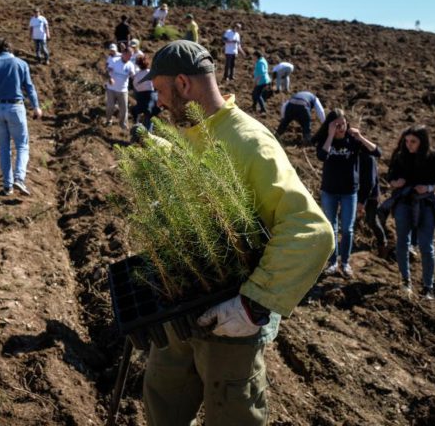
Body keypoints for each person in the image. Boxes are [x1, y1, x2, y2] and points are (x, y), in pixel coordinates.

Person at [138, 40, 333, 426]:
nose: (157, 102)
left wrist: (253, 304)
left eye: (160, 91)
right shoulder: (192, 129)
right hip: (181, 308)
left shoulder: (249, 141)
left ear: (183, 84)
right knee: (162, 397)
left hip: (230, 318)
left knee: (232, 413)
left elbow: (310, 229)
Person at [312, 109, 380, 277]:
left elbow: (377, 152)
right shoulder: (325, 140)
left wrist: (360, 137)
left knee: (348, 229)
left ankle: (345, 262)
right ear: (330, 126)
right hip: (329, 191)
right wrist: (330, 135)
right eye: (337, 125)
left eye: (343, 124)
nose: (341, 128)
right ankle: (333, 262)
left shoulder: (353, 141)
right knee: (331, 228)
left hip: (349, 192)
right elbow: (322, 156)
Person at [387, 126, 435, 299]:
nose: (409, 145)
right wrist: (396, 183)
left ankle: (428, 287)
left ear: (423, 142)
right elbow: (390, 177)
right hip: (403, 202)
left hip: (426, 203)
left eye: (413, 141)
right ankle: (405, 281)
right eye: (407, 141)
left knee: (426, 245)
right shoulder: (400, 156)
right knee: (402, 242)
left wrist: (428, 188)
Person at [0, 39, 43, 196]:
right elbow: (29, 87)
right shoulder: (21, 63)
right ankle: (19, 178)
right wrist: (36, 107)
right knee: (22, 145)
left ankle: (7, 186)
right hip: (15, 107)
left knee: (4, 148)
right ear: (11, 50)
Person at [358, 151, 387, 258]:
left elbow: (370, 182)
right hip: (356, 193)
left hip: (371, 196)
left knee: (372, 220)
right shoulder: (352, 154)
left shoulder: (369, 158)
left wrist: (362, 202)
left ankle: (383, 244)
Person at [105, 48, 136, 129]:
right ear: (124, 54)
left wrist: (135, 77)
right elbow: (107, 71)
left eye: (131, 56)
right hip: (111, 89)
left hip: (123, 90)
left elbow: (133, 75)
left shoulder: (130, 65)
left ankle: (123, 124)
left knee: (124, 109)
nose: (130, 57)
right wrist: (110, 78)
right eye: (129, 55)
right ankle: (108, 120)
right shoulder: (114, 61)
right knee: (110, 106)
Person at [131, 54, 159, 131]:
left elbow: (135, 85)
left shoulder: (137, 75)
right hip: (151, 96)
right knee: (149, 117)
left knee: (140, 114)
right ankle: (148, 133)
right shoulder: (151, 73)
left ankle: (138, 129)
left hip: (141, 96)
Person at [251, 50, 270, 114]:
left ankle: (263, 109)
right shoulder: (262, 60)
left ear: (256, 56)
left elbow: (261, 73)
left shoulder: (260, 63)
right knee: (254, 93)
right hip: (263, 80)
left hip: (261, 81)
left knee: (257, 95)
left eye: (253, 56)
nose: (253, 57)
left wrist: (256, 81)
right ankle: (254, 106)